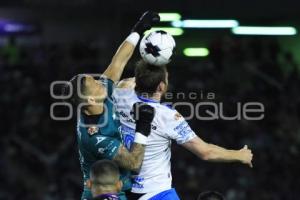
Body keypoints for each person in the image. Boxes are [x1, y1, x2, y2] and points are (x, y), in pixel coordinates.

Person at [112, 60, 253, 200]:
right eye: (166, 78)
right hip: (156, 193)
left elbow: (125, 80)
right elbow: (206, 152)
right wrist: (240, 155)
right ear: (161, 87)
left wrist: (145, 73)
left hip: (121, 188)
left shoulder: (120, 94)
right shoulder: (168, 116)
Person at [62, 12, 160, 200]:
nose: (101, 81)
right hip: (102, 194)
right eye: (96, 84)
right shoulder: (96, 135)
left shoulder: (99, 96)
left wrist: (138, 29)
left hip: (119, 189)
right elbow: (133, 162)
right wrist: (143, 126)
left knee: (127, 82)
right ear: (90, 100)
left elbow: (118, 62)